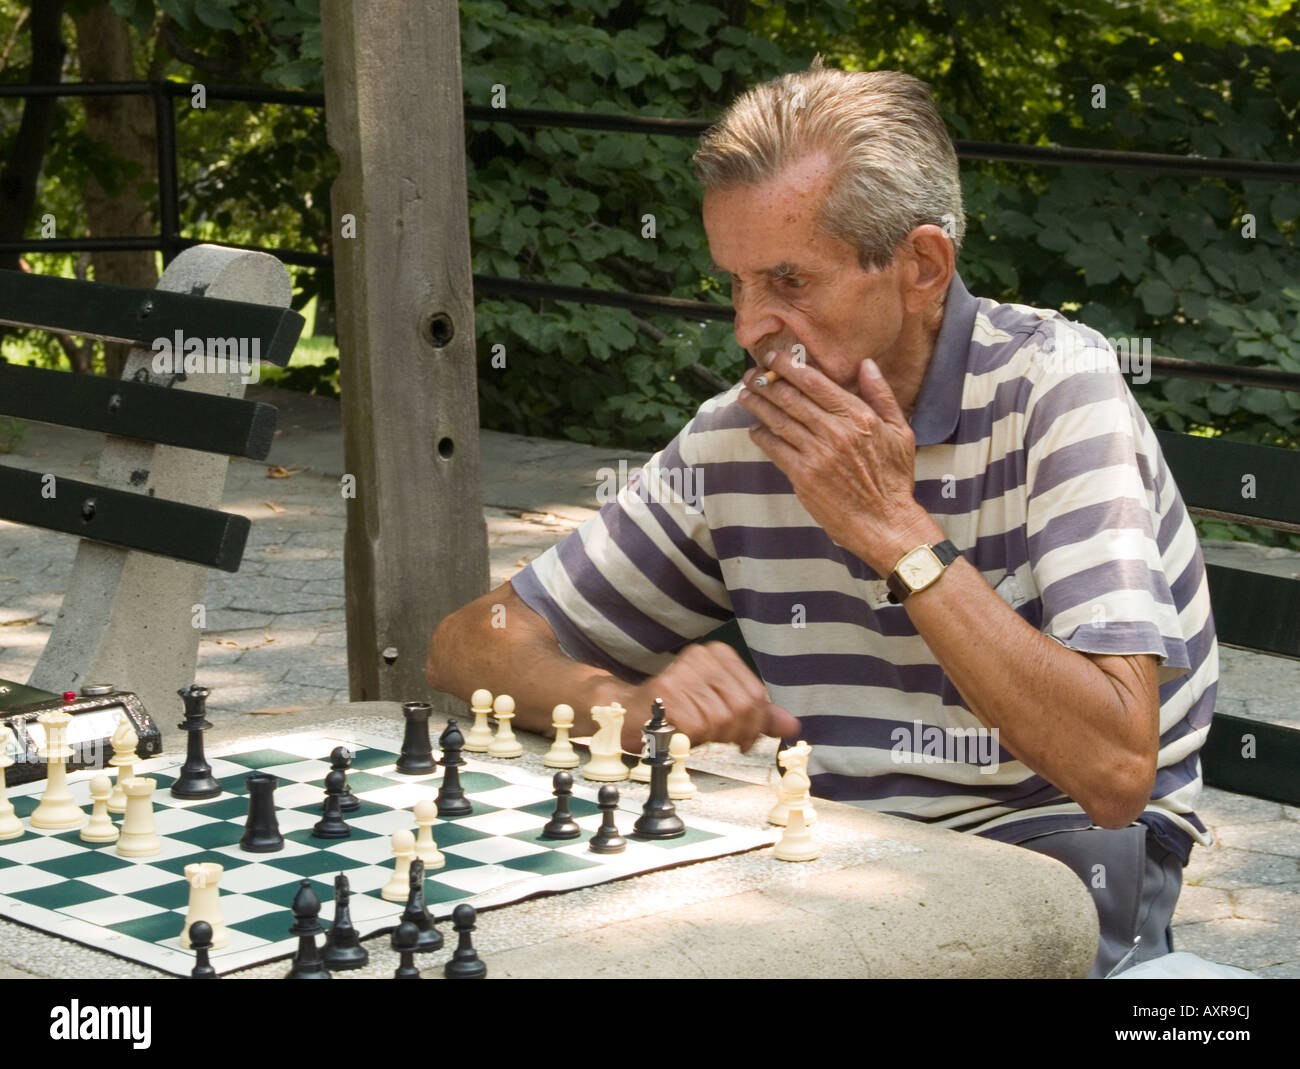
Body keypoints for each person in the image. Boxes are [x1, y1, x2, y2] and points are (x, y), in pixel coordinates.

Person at [427, 60, 1217, 977]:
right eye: (736, 283)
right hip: (830, 869)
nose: (749, 327)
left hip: (1054, 865)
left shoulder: (1056, 388)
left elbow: (1117, 770)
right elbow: (467, 643)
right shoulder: (744, 434)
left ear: (921, 267)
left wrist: (896, 533)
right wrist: (631, 708)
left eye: (790, 281)